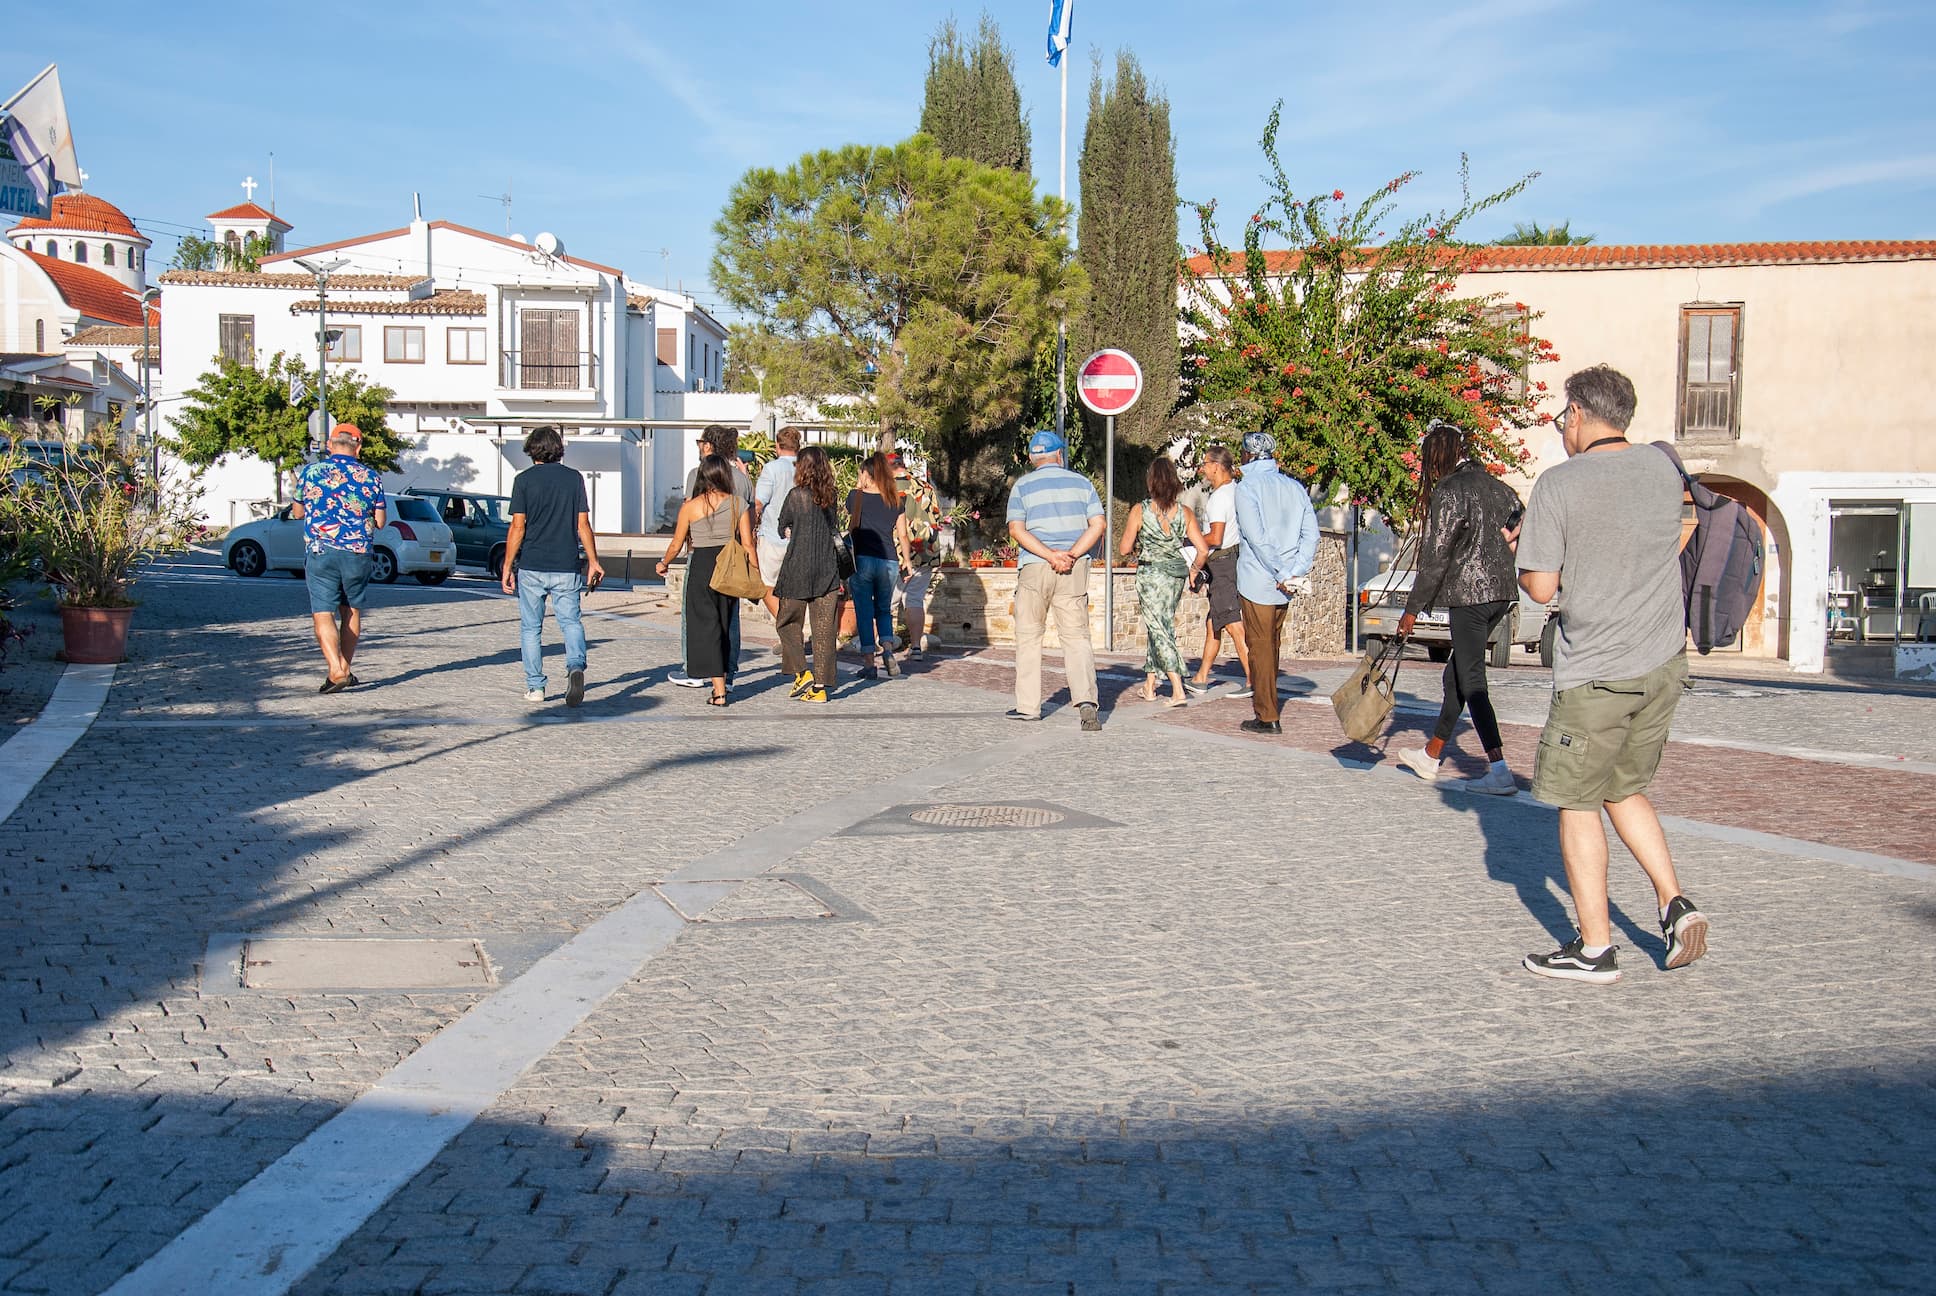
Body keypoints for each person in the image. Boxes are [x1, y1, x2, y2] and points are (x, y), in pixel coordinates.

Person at [1514, 364, 1709, 984]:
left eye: (1561, 416)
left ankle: (1595, 948)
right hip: (1662, 663)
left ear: (1576, 413)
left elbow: (1540, 587)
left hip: (1597, 672)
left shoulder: (1559, 484)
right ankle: (1675, 904)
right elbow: (1668, 539)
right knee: (1624, 789)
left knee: (1576, 802)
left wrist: (1528, 553)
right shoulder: (1661, 469)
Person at [1392, 419, 1524, 793]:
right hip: (1501, 592)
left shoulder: (1450, 490)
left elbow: (1436, 555)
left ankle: (1499, 770)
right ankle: (1431, 755)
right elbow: (1520, 520)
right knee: (1456, 677)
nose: (1429, 469)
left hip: (1470, 595)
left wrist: (1412, 609)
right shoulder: (1499, 487)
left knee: (1472, 679)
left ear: (1439, 455)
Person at [1005, 430, 1106, 731]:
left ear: (1031, 457)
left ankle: (1028, 707)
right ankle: (1086, 702)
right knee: (1076, 636)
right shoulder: (1082, 483)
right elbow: (1098, 524)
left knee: (1029, 636)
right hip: (1073, 568)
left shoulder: (1022, 486)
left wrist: (1050, 555)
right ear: (1060, 454)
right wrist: (1070, 554)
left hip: (1035, 566)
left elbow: (1016, 530)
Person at [501, 425, 603, 707]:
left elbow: (517, 527)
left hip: (533, 563)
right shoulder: (574, 479)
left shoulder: (523, 480)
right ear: (558, 449)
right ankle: (575, 665)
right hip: (566, 563)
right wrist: (593, 561)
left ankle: (536, 687)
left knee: (531, 628)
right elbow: (583, 524)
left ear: (531, 450)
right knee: (570, 621)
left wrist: (507, 565)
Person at [1230, 432, 1319, 734]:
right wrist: (1294, 571)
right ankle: (1268, 707)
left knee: (1260, 648)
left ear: (1248, 455)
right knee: (1272, 644)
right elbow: (1311, 535)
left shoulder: (1246, 488)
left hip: (1259, 579)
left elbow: (1256, 538)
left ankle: (1267, 715)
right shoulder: (1295, 487)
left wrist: (1281, 573)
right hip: (1286, 582)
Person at [289, 422, 385, 694]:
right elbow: (380, 521)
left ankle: (336, 669)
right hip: (358, 552)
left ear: (330, 445)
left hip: (322, 550)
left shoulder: (311, 472)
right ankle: (345, 668)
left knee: (323, 612)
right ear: (358, 448)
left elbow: (297, 512)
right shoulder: (371, 477)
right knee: (351, 610)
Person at [657, 454, 756, 707]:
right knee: (724, 625)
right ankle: (722, 682)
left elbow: (677, 543)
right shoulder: (738, 504)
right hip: (728, 567)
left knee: (706, 627)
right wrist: (755, 573)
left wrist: (663, 563)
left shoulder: (690, 507)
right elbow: (748, 544)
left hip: (701, 567)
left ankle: (719, 691)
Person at [1119, 456, 1210, 707]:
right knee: (1159, 625)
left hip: (1151, 575)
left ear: (1151, 482)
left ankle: (1178, 690)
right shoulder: (1185, 513)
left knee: (1159, 628)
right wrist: (1194, 571)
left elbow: (1124, 548)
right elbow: (1202, 550)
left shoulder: (1140, 510)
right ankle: (1149, 686)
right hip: (1175, 575)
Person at [773, 446, 843, 702]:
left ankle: (802, 672)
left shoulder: (796, 495)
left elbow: (782, 525)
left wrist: (790, 530)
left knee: (787, 621)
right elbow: (833, 527)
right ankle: (820, 688)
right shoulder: (831, 496)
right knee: (824, 630)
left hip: (798, 568)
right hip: (827, 569)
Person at [1187, 445, 1253, 699]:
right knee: (1213, 622)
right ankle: (1201, 677)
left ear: (1216, 466)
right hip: (1231, 561)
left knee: (1233, 624)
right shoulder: (1236, 491)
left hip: (1222, 564)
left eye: (1205, 464)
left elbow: (1215, 537)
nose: (1203, 469)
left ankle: (1253, 679)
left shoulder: (1219, 498)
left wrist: (1190, 540)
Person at [847, 452, 912, 680]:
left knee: (864, 611)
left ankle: (869, 663)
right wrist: (908, 561)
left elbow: (851, 515)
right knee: (884, 609)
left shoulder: (855, 496)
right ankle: (888, 651)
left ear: (866, 474)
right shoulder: (895, 500)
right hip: (889, 561)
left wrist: (860, 485)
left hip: (862, 559)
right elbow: (903, 535)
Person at [889, 452, 940, 656]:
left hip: (896, 552)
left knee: (886, 602)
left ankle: (881, 646)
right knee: (915, 600)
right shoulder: (926, 487)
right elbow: (936, 517)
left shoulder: (888, 488)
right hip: (926, 552)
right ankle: (916, 646)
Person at [752, 426, 801, 624]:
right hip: (798, 538)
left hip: (772, 535)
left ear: (777, 446)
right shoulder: (804, 468)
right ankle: (792, 628)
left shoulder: (771, 468)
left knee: (766, 585)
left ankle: (786, 627)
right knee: (794, 590)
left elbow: (758, 503)